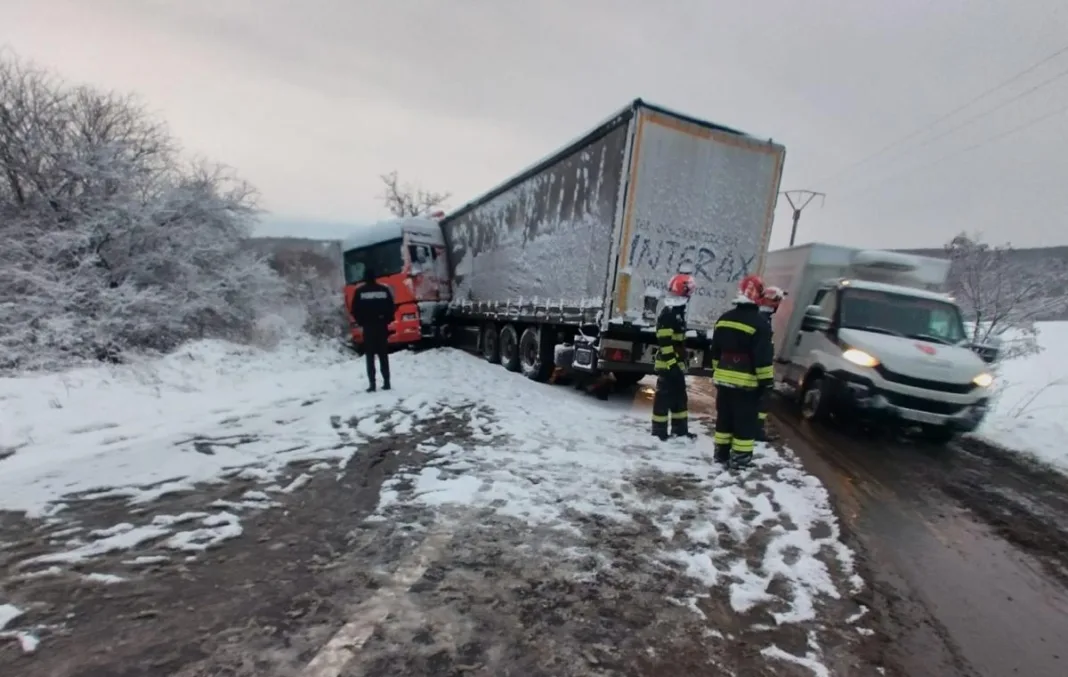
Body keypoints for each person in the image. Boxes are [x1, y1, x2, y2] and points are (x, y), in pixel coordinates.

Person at [709, 274, 774, 469]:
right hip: (746, 385)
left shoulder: (724, 319)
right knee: (744, 423)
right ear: (759, 296)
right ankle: (741, 460)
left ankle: (720, 455)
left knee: (724, 420)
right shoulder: (760, 325)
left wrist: (719, 372)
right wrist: (766, 384)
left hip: (723, 382)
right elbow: (762, 359)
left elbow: (715, 352)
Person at [652, 272, 697, 440]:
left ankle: (680, 430)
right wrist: (672, 365)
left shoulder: (677, 311)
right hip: (668, 366)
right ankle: (659, 431)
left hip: (675, 365)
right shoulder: (669, 314)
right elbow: (665, 343)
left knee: (679, 398)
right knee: (663, 399)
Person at [350, 267, 396, 392]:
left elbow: (354, 309)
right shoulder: (384, 290)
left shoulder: (360, 292)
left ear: (365, 278)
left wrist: (362, 322)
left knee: (370, 357)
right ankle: (387, 382)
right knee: (383, 355)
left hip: (368, 327)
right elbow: (392, 307)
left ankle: (372, 384)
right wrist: (386, 320)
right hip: (381, 327)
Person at [756, 285, 787, 441]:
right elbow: (762, 350)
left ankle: (755, 429)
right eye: (777, 301)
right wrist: (765, 377)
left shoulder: (761, 317)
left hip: (755, 367)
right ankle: (756, 430)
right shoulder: (763, 319)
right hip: (757, 369)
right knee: (762, 399)